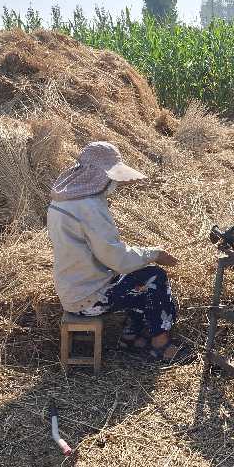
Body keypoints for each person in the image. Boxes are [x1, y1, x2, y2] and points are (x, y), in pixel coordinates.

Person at [47, 141, 191, 364]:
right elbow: (117, 260)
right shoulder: (89, 206)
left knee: (136, 277)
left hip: (72, 288)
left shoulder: (63, 200)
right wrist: (155, 253)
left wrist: (140, 257)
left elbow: (101, 252)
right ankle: (160, 345)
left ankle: (131, 338)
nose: (113, 183)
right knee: (155, 278)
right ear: (100, 176)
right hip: (89, 298)